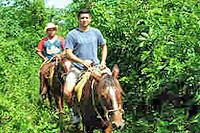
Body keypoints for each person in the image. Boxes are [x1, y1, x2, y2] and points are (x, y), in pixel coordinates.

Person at [64, 8, 110, 131]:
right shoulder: (72, 34)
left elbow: (104, 45)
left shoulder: (96, 32)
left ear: (90, 19)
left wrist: (103, 61)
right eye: (82, 18)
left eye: (86, 17)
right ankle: (75, 114)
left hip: (95, 67)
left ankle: (114, 113)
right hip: (78, 69)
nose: (84, 20)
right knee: (67, 92)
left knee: (112, 85)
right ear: (78, 19)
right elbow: (68, 53)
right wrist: (82, 61)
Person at [36, 22, 65, 100]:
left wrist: (61, 55)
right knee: (42, 71)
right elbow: (38, 51)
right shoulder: (44, 41)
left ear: (55, 31)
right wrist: (44, 58)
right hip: (50, 61)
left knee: (67, 69)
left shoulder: (60, 39)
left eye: (53, 30)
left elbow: (66, 49)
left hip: (60, 61)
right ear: (47, 31)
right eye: (49, 30)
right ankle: (43, 90)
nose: (51, 32)